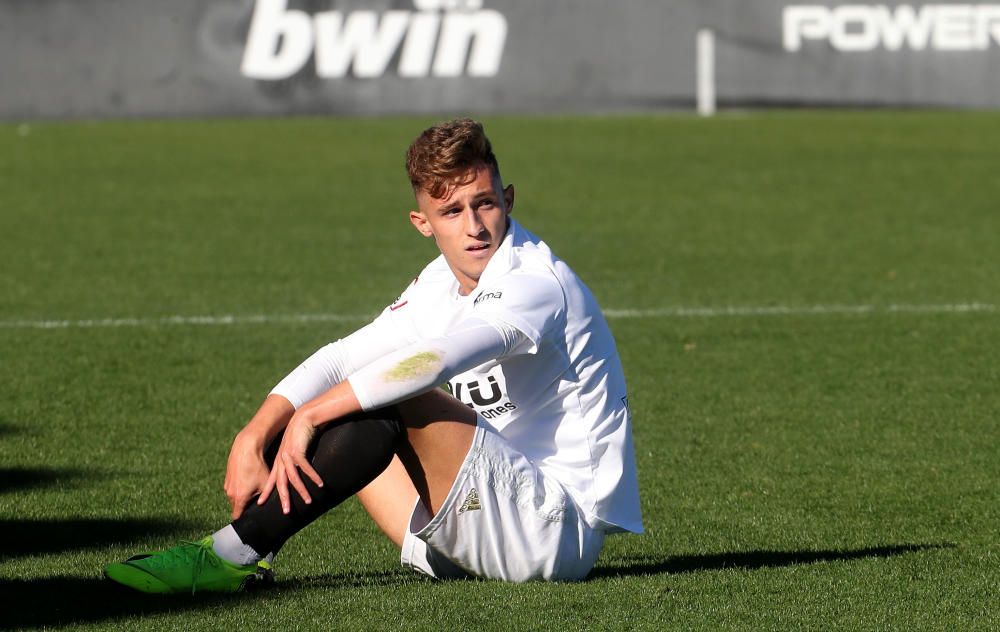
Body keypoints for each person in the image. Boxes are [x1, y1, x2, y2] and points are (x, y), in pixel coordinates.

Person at [104, 118, 642, 592]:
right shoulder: (436, 283)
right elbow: (341, 357)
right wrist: (256, 433)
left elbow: (434, 362)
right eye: (451, 211)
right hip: (473, 524)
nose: (474, 226)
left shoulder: (533, 280)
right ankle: (254, 553)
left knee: (391, 394)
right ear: (423, 223)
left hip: (552, 533)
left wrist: (311, 416)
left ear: (508, 199)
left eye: (484, 202)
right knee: (357, 386)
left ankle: (230, 552)